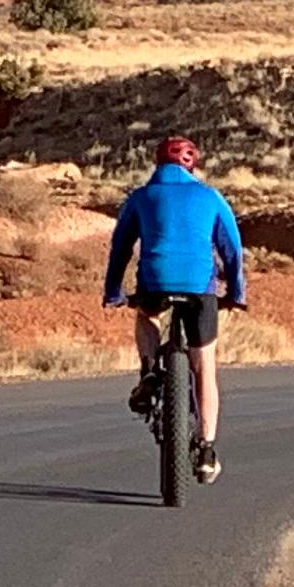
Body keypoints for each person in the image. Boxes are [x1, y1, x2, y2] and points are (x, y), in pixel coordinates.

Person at [103, 134, 245, 482]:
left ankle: (150, 371)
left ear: (157, 163)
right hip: (199, 287)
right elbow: (232, 250)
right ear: (191, 163)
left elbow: (120, 247)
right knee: (204, 368)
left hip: (155, 280)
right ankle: (208, 451)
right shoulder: (210, 197)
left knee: (146, 313)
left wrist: (114, 291)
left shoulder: (141, 196)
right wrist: (236, 293)